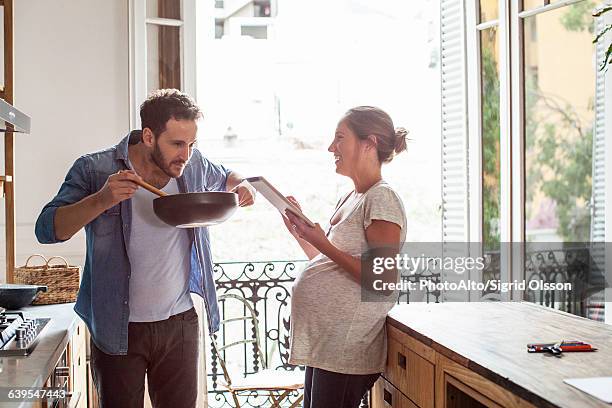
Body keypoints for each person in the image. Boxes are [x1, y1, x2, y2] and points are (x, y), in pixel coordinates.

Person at [35, 89, 255, 407]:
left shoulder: (190, 166)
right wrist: (101, 199)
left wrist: (242, 183)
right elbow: (47, 229)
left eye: (191, 144)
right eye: (177, 144)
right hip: (117, 327)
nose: (186, 154)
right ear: (149, 136)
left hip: (179, 324)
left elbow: (225, 175)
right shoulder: (94, 169)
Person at [283, 106, 407, 408]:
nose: (331, 147)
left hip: (347, 349)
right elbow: (328, 262)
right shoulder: (352, 197)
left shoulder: (382, 198)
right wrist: (302, 234)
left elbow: (382, 279)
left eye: (340, 138)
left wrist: (322, 242)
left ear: (369, 143)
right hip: (327, 346)